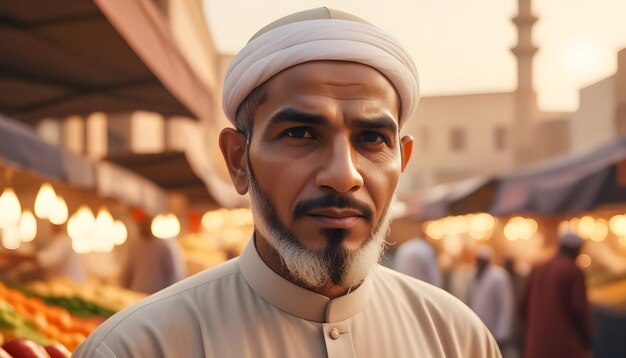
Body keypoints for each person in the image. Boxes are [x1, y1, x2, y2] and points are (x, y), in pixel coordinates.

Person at [75, 8, 501, 357]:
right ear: (238, 160)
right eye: (300, 133)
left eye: (371, 138)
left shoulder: (457, 339)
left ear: (402, 161)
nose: (343, 175)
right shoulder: (137, 347)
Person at [521, 233, 592, 358]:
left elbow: (523, 306)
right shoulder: (573, 271)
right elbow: (579, 309)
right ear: (575, 250)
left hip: (535, 345)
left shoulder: (538, 268)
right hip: (563, 347)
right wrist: (587, 339)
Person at [118, 215, 187, 294]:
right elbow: (126, 273)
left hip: (158, 298)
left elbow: (176, 276)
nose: (142, 224)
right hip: (137, 297)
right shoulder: (135, 244)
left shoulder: (167, 244)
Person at [467, 245, 514, 352]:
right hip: (477, 326)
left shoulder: (499, 276)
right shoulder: (473, 275)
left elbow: (505, 304)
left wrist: (502, 331)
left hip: (494, 328)